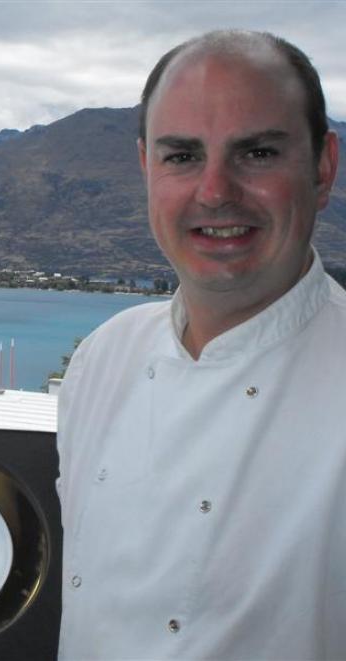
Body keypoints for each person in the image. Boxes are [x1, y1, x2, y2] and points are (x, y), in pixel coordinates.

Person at [57, 29, 346, 660]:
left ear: (323, 168)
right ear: (145, 168)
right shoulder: (103, 358)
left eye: (259, 152)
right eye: (182, 156)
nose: (215, 191)